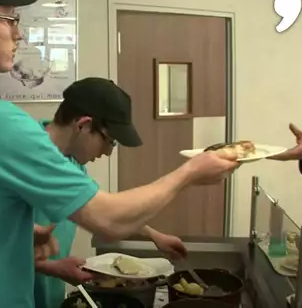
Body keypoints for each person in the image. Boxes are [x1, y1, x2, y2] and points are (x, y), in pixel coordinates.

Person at [0, 0, 239, 307]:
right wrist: (189, 172)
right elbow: (108, 220)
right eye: (10, 20)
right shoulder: (0, 122)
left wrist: (16, 236)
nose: (18, 34)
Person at [34, 77, 187, 308]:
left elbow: (97, 210)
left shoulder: (72, 163)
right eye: (109, 142)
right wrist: (190, 173)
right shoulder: (30, 155)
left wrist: (154, 235)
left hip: (49, 292)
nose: (107, 153)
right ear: (83, 125)